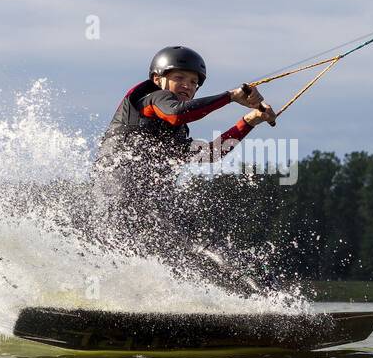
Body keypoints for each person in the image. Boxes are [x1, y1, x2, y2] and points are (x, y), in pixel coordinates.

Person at [90, 45, 277, 294]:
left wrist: (249, 121)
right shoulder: (151, 99)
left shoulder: (172, 132)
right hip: (122, 199)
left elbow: (210, 154)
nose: (187, 85)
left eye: (193, 81)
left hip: (149, 203)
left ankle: (256, 301)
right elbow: (177, 114)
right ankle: (266, 296)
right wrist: (230, 97)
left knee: (191, 253)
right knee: (198, 244)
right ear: (158, 79)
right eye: (178, 77)